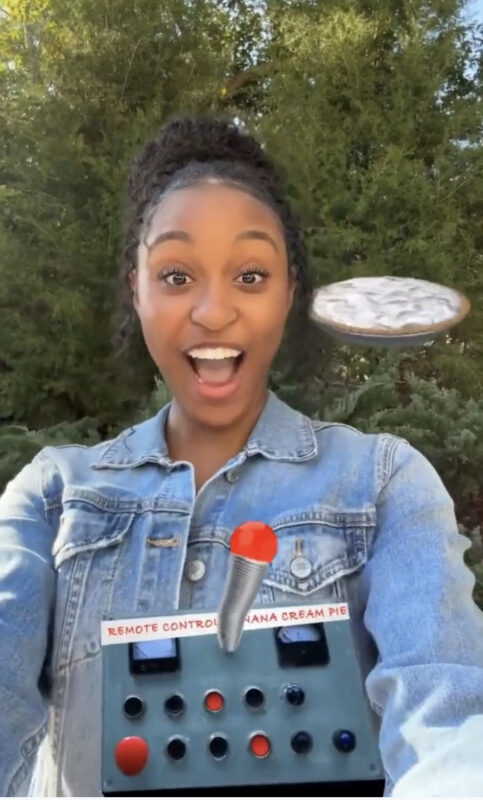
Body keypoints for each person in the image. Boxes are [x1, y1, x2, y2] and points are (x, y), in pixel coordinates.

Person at [0, 115, 482, 798]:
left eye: (251, 275)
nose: (213, 311)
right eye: (175, 275)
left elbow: (449, 715)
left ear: (289, 291)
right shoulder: (51, 495)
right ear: (136, 290)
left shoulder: (382, 483)